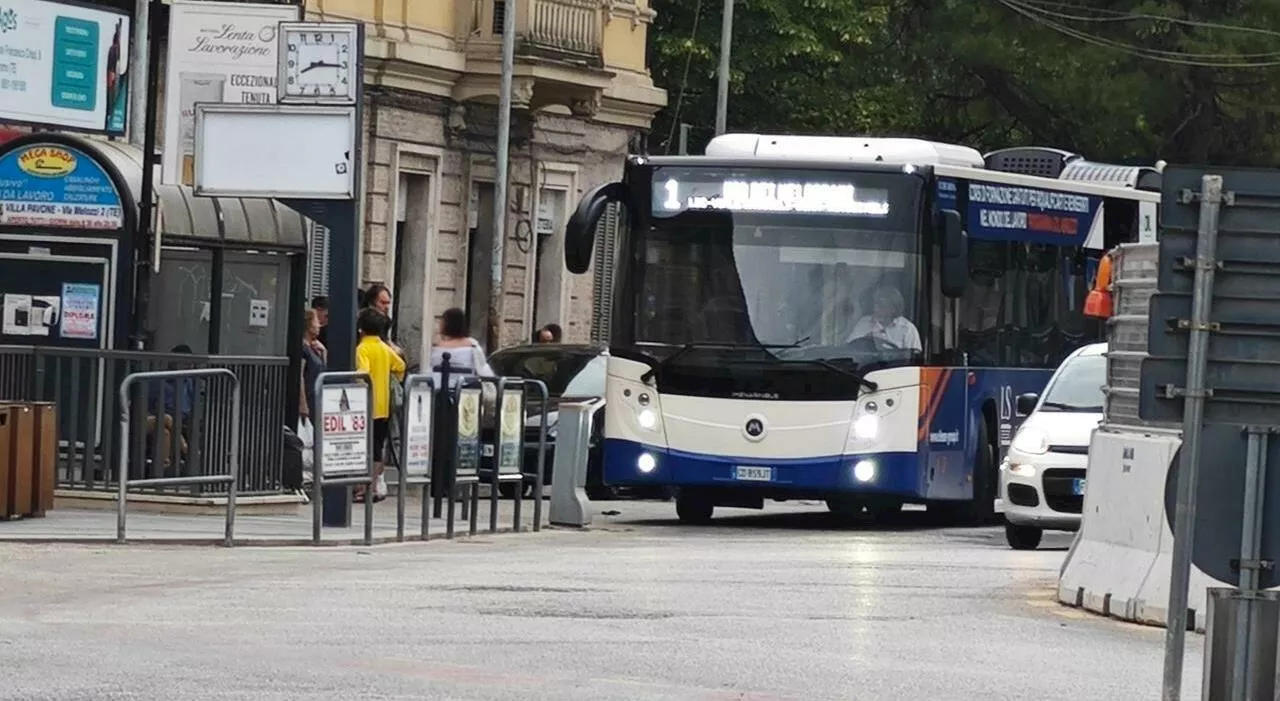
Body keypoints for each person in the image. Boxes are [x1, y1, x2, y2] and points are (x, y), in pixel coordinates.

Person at [355, 308, 405, 502]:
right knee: (377, 447)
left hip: (366, 405)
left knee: (363, 446)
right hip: (383, 406)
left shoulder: (363, 348)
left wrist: (357, 385)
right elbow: (400, 366)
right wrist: (394, 380)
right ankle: (374, 484)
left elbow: (363, 371)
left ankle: (362, 487)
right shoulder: (384, 348)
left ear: (361, 330)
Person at [429, 307, 494, 390]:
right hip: (464, 391)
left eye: (442, 321)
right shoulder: (472, 345)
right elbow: (484, 370)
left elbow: (430, 369)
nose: (439, 324)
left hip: (437, 389)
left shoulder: (437, 346)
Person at [846, 286, 922, 352]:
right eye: (875, 304)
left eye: (881, 305)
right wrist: (866, 341)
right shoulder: (863, 323)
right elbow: (848, 348)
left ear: (893, 308)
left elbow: (914, 356)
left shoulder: (907, 328)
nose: (875, 309)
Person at [299, 309, 327, 423]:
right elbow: (300, 376)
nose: (319, 325)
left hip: (316, 397)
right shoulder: (303, 349)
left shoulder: (315, 348)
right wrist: (303, 403)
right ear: (308, 325)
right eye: (316, 322)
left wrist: (324, 352)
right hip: (308, 397)